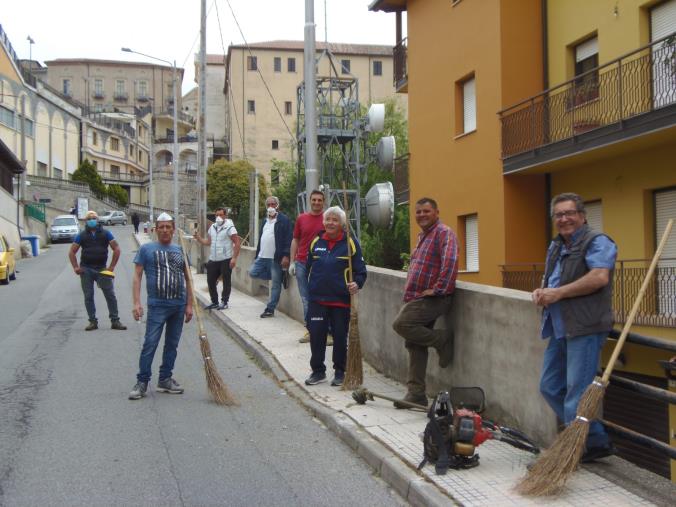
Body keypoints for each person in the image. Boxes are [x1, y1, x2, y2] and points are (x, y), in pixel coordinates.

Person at [532, 192, 617, 463]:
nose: (564, 219)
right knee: (549, 386)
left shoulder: (598, 242)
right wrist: (542, 291)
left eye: (569, 213)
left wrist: (558, 294)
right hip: (559, 327)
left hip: (586, 328)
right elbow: (555, 280)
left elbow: (599, 277)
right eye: (559, 215)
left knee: (576, 396)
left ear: (582, 216)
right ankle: (595, 439)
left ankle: (570, 456)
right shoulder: (556, 246)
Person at [392, 197, 457, 409]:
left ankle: (441, 339)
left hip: (435, 298)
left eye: (426, 211)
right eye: (418, 212)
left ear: (436, 212)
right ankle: (416, 394)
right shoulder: (423, 236)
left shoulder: (444, 233)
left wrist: (438, 289)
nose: (421, 215)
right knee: (415, 344)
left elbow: (450, 262)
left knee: (402, 324)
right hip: (417, 296)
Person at [129, 213, 194, 400]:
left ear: (173, 229)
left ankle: (165, 378)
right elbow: (137, 276)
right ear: (155, 229)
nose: (165, 230)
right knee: (150, 343)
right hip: (157, 305)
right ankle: (142, 382)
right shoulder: (146, 249)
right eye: (161, 227)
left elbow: (188, 279)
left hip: (178, 305)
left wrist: (189, 305)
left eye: (168, 227)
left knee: (172, 345)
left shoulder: (180, 251)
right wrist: (136, 302)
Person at [304, 206, 367, 387]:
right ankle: (318, 371)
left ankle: (340, 372)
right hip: (317, 299)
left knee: (340, 336)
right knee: (316, 335)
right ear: (323, 222)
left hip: (341, 300)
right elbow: (309, 266)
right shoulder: (316, 241)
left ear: (342, 223)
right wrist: (311, 287)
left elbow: (361, 271)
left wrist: (357, 283)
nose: (330, 223)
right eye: (328, 219)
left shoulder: (350, 243)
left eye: (335, 220)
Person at [68, 210, 127, 331]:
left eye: (93, 218)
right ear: (86, 221)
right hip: (86, 269)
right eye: (89, 218)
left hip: (102, 269)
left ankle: (115, 320)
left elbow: (116, 249)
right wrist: (76, 267)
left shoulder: (106, 233)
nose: (91, 220)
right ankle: (92, 321)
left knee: (110, 295)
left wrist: (111, 267)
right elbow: (72, 252)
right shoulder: (82, 235)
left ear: (98, 220)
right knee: (88, 296)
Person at [289, 190, 327, 343]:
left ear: (324, 202)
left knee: (322, 298)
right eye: (314, 200)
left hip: (321, 264)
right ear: (309, 201)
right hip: (302, 263)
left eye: (319, 200)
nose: (317, 202)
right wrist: (292, 261)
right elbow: (295, 240)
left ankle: (326, 332)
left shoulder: (328, 219)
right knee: (306, 299)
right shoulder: (301, 218)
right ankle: (311, 331)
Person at [248, 196, 292, 318]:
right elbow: (261, 238)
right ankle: (276, 276)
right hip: (262, 256)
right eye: (269, 204)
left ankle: (270, 309)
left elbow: (289, 239)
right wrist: (257, 255)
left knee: (275, 286)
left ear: (278, 205)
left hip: (275, 258)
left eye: (273, 204)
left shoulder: (284, 220)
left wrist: (286, 255)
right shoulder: (264, 221)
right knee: (252, 272)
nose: (271, 206)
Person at [194, 207, 241, 310]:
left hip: (226, 258)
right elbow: (209, 242)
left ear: (225, 216)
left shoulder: (230, 227)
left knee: (226, 281)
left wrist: (234, 258)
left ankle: (224, 301)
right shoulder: (212, 227)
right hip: (213, 259)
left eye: (221, 215)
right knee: (210, 281)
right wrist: (199, 239)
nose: (218, 217)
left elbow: (237, 243)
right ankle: (214, 301)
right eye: (217, 215)